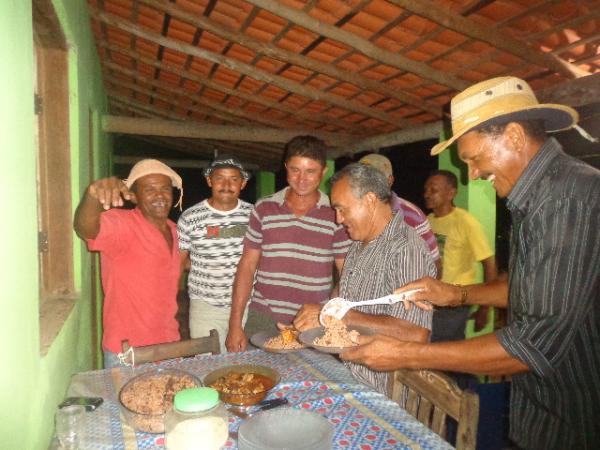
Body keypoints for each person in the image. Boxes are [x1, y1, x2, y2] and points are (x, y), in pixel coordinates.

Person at [341, 76, 600, 450]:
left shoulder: (565, 200)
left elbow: (531, 347)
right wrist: (455, 293)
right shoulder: (540, 196)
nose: (472, 175)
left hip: (574, 418)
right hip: (546, 410)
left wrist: (408, 355)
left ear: (513, 136)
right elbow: (527, 287)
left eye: (474, 159)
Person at [293, 163, 436, 395]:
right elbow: (343, 297)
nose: (338, 219)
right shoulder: (358, 244)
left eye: (342, 209)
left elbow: (415, 334)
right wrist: (313, 323)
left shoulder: (405, 249)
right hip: (348, 375)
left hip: (383, 392)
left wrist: (333, 315)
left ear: (370, 200)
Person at [226, 136, 351, 352]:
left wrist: (324, 312)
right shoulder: (264, 208)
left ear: (323, 172)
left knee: (311, 383)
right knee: (255, 379)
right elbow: (247, 266)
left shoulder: (336, 214)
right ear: (286, 168)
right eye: (295, 170)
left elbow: (347, 273)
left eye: (311, 171)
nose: (301, 178)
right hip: (264, 315)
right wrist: (235, 324)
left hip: (313, 321)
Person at [74, 159, 183, 368]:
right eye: (149, 189)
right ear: (133, 196)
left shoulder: (175, 231)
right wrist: (93, 195)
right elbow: (85, 228)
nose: (159, 195)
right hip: (128, 352)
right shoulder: (123, 225)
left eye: (165, 189)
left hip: (169, 345)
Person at [177, 157, 253, 352]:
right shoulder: (190, 217)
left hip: (247, 306)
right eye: (220, 178)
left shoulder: (254, 215)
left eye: (234, 179)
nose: (226, 185)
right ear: (209, 181)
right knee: (207, 364)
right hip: (204, 306)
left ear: (242, 183)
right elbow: (179, 262)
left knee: (242, 368)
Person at [423, 170, 497, 340]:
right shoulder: (428, 221)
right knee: (439, 351)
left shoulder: (465, 222)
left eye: (433, 190)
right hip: (432, 299)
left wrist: (485, 308)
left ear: (451, 193)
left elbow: (489, 262)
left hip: (455, 301)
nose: (427, 194)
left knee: (441, 351)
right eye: (426, 190)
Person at [358, 153, 441, 273]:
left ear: (389, 180)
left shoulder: (413, 217)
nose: (366, 184)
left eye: (374, 179)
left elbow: (435, 266)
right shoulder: (352, 213)